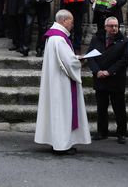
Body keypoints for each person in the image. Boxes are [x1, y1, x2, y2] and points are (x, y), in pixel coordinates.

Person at [34, 9, 91, 154]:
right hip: (61, 83)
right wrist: (80, 60)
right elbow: (69, 62)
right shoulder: (59, 39)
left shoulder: (53, 37)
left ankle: (59, 143)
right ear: (64, 21)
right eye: (71, 22)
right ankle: (61, 145)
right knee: (62, 112)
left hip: (57, 80)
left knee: (58, 112)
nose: (72, 25)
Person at [86, 16, 128, 144]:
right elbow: (90, 56)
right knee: (101, 108)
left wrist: (109, 71)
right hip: (100, 79)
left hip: (116, 79)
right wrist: (97, 71)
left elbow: (125, 59)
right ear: (105, 27)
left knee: (119, 108)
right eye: (111, 26)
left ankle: (121, 133)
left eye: (116, 26)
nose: (114, 28)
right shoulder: (96, 39)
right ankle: (102, 132)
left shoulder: (125, 40)